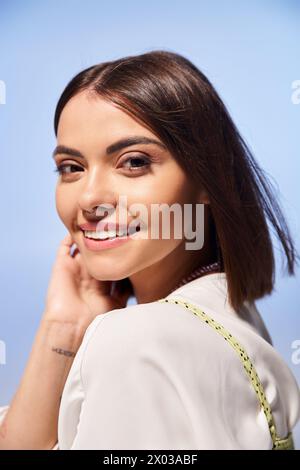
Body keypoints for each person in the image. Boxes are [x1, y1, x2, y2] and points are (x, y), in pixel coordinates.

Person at [0, 50, 299, 450]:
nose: (89, 198)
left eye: (134, 162)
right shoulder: (228, 316)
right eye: (71, 167)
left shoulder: (137, 342)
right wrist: (65, 325)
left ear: (208, 178)